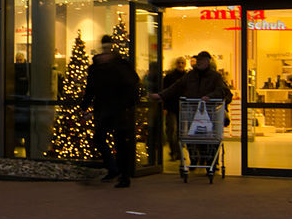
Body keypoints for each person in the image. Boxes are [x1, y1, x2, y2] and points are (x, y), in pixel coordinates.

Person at [81, 37, 141, 188]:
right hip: (109, 109)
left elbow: (131, 86)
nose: (106, 52)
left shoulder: (113, 67)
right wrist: (85, 105)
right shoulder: (109, 67)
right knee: (105, 139)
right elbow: (91, 89)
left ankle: (120, 173)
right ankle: (117, 171)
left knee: (118, 142)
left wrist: (85, 105)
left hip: (115, 110)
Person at [155, 51, 233, 164]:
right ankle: (197, 158)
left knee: (207, 135)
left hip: (209, 111)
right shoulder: (190, 76)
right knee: (194, 134)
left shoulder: (215, 77)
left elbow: (222, 91)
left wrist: (209, 97)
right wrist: (161, 95)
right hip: (193, 110)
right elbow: (176, 86)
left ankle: (209, 160)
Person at [156, 57, 189, 161]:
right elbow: (165, 92)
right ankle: (175, 151)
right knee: (171, 131)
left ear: (185, 64)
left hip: (183, 108)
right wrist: (164, 107)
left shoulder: (187, 77)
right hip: (171, 107)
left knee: (180, 132)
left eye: (182, 63)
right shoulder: (169, 77)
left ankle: (177, 153)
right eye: (178, 62)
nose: (180, 64)